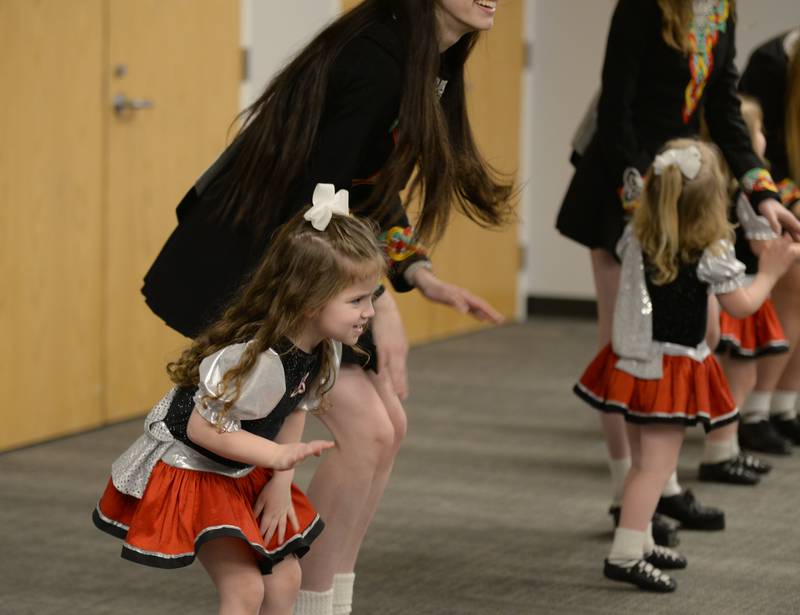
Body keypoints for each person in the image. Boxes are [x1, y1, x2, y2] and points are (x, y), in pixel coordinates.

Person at [139, 2, 512, 613]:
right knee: (366, 432)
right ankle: (311, 603)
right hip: (262, 266)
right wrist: (379, 303)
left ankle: (327, 600)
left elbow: (371, 185)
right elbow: (317, 195)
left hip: (311, 265)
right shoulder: (374, 57)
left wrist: (415, 269)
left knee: (386, 431)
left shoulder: (429, 59)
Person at [556, 0, 800, 540]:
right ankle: (629, 493)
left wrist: (762, 192)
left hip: (684, 199)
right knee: (626, 347)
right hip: (627, 193)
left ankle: (657, 486)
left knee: (689, 336)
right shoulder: (644, 7)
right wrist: (644, 200)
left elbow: (725, 110)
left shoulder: (722, 11)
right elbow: (616, 108)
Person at [93, 199, 386, 615]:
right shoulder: (258, 359)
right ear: (309, 299)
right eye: (357, 300)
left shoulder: (323, 349)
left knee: (285, 581)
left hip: (243, 461)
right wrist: (276, 456)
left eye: (370, 298)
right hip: (193, 467)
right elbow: (202, 429)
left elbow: (295, 409)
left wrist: (281, 480)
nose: (369, 312)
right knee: (246, 591)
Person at [574, 140, 800, 592]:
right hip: (667, 370)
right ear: (711, 202)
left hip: (631, 361)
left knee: (645, 461)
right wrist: (771, 273)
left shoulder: (638, 234)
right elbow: (741, 306)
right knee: (655, 467)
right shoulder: (707, 247)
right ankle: (624, 554)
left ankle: (637, 541)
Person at [705, 95, 785, 484]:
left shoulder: (721, 187)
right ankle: (720, 451)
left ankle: (728, 447)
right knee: (738, 380)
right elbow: (762, 245)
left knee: (739, 378)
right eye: (760, 130)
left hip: (741, 288)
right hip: (745, 289)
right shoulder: (750, 197)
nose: (764, 138)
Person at [736, 28, 800, 454]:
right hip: (768, 200)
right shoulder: (772, 65)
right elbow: (752, 148)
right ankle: (755, 410)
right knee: (793, 285)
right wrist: (789, 200)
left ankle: (785, 405)